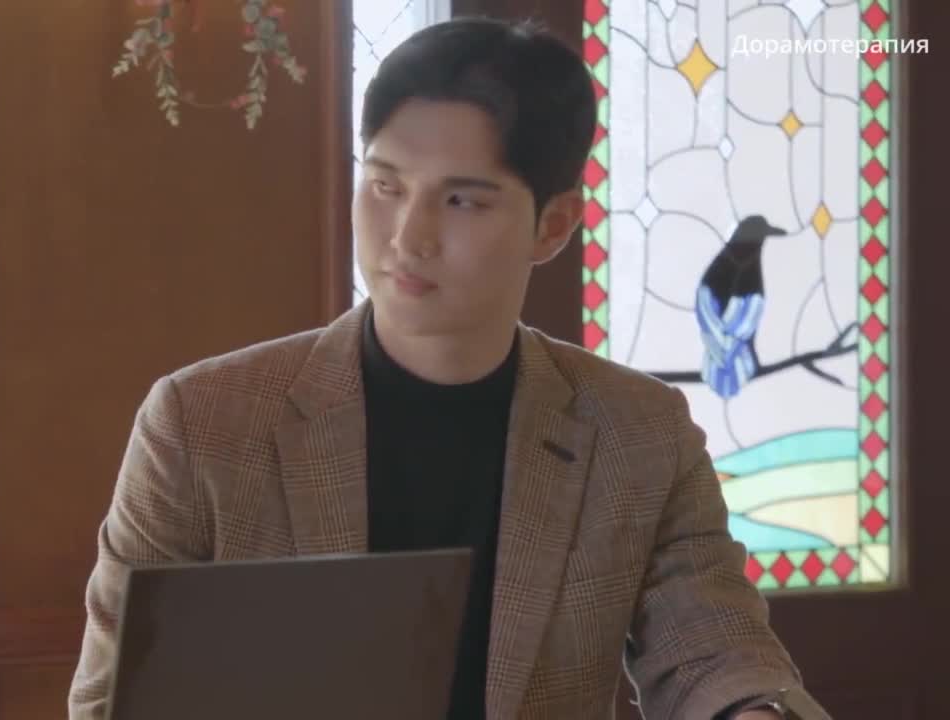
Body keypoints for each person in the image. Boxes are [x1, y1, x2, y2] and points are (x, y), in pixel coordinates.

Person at [69, 17, 828, 720]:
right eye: (385, 185)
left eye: (462, 200)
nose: (409, 235)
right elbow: (112, 701)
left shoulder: (638, 433)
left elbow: (715, 654)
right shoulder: (201, 425)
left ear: (553, 225)